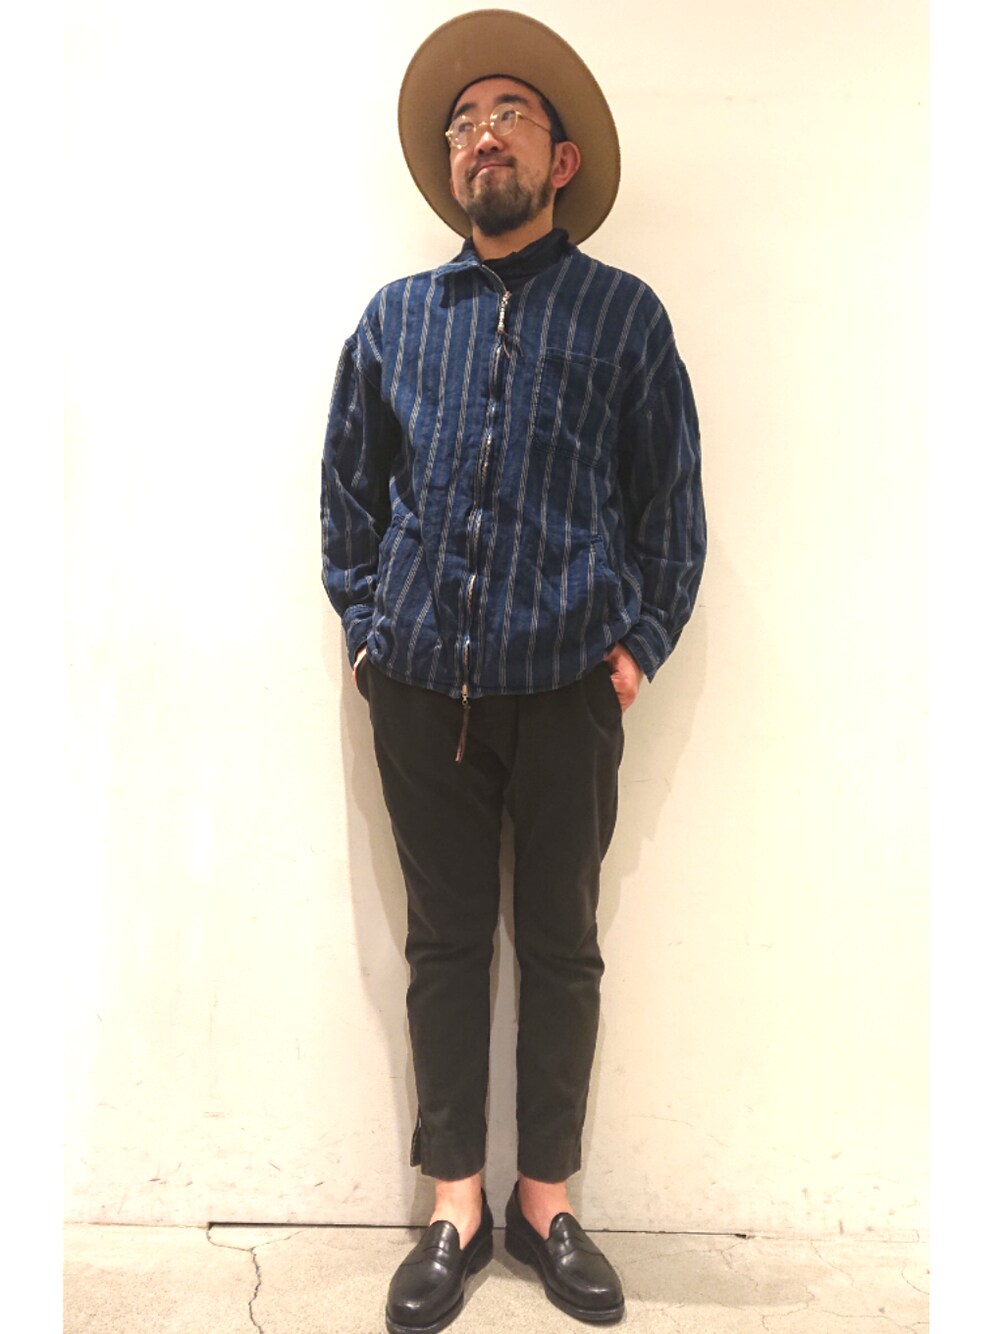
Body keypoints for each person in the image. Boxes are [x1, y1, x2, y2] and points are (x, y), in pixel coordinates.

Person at [321, 11, 706, 1332]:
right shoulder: (395, 322)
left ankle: (546, 1202)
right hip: (421, 688)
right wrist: (369, 630)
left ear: (561, 158)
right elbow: (348, 495)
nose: (480, 136)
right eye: (461, 124)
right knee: (442, 946)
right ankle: (455, 1204)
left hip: (566, 694)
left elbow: (672, 510)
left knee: (559, 947)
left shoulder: (625, 318)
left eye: (508, 116)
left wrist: (635, 652)